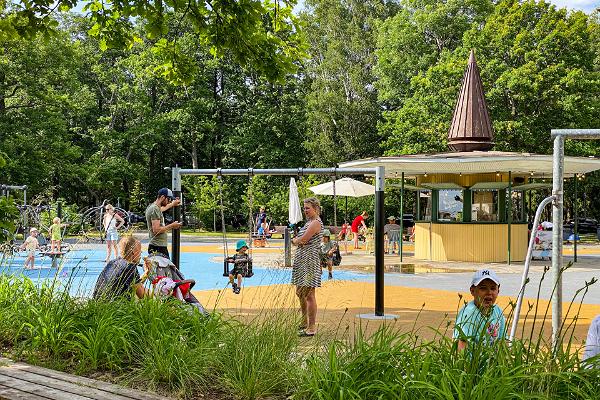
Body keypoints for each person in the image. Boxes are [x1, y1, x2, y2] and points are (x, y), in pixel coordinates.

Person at [291, 197, 324, 337]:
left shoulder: (315, 222)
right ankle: (304, 321)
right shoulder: (309, 222)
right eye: (304, 208)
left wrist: (296, 240)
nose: (305, 211)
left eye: (307, 208)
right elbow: (301, 240)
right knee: (300, 292)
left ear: (315, 208)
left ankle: (311, 327)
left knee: (309, 294)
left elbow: (303, 239)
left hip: (309, 261)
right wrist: (298, 241)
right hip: (302, 260)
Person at [454, 269, 506, 351]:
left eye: (493, 288)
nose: (489, 292)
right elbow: (461, 347)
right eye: (483, 288)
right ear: (472, 291)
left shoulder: (498, 311)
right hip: (473, 363)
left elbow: (502, 342)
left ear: (498, 291)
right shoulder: (468, 314)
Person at [145, 188, 182, 259]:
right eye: (168, 199)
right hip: (158, 247)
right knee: (165, 269)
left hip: (158, 246)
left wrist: (173, 204)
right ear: (162, 197)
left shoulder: (154, 207)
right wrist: (172, 226)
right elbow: (156, 230)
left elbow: (163, 209)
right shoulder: (154, 209)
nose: (169, 201)